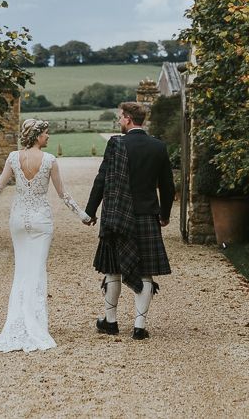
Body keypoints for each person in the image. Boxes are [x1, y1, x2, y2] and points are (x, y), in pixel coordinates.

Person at [0, 118, 95, 352]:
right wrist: (83, 216)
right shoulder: (50, 161)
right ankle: (34, 324)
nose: (48, 136)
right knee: (36, 271)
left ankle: (20, 320)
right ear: (36, 136)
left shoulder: (14, 158)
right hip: (41, 221)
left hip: (18, 220)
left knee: (22, 270)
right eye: (45, 133)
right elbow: (63, 194)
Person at [85, 101, 175, 340]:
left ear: (127, 119)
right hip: (146, 216)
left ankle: (111, 322)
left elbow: (101, 180)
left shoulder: (116, 145)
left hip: (116, 216)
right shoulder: (158, 147)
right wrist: (164, 214)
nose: (118, 121)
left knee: (113, 269)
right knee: (145, 271)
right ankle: (139, 326)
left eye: (120, 117)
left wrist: (90, 211)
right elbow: (168, 186)